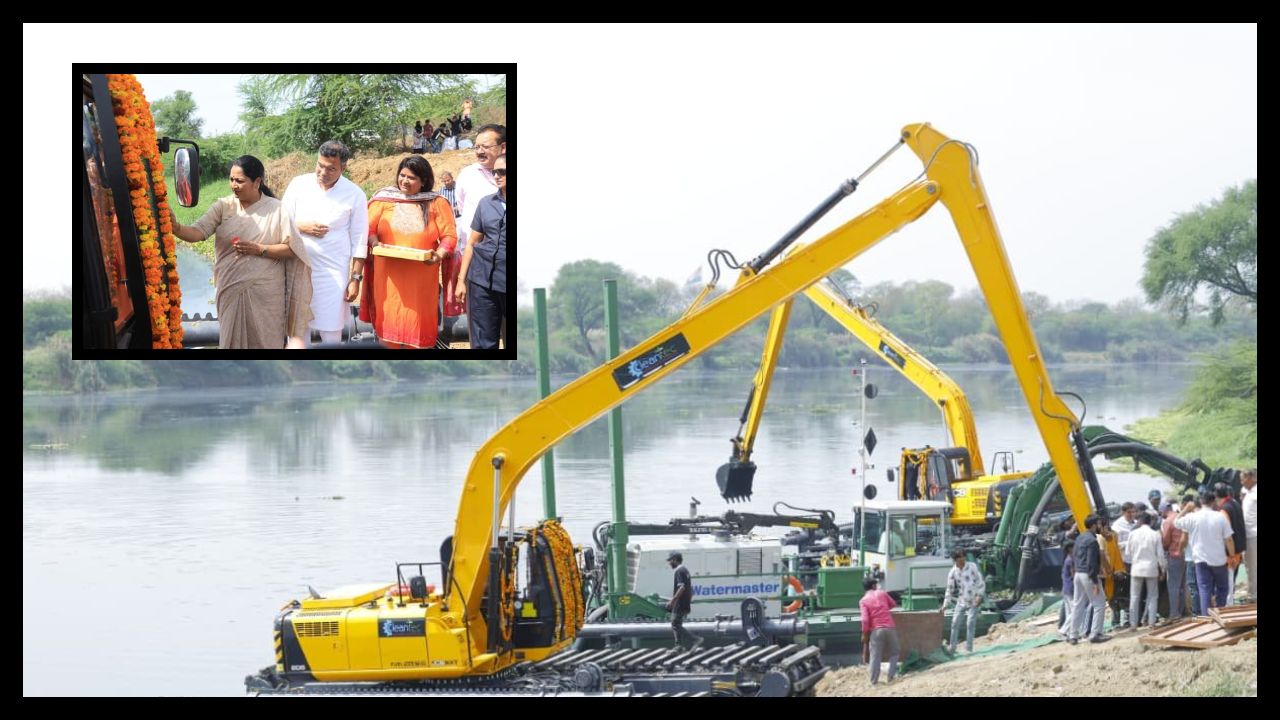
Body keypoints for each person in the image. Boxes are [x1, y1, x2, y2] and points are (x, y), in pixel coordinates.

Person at [169, 156, 313, 349]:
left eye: (239, 181)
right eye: (231, 180)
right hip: (230, 288)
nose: (234, 185)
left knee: (267, 342)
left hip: (266, 293)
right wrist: (176, 227)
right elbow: (198, 232)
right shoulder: (224, 206)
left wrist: (260, 249)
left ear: (257, 182)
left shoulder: (277, 209)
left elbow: (292, 249)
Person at [358, 156, 457, 349]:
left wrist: (438, 255)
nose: (404, 181)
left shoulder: (436, 203)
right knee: (389, 325)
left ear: (424, 181)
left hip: (421, 277)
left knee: (417, 327)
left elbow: (449, 236)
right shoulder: (383, 200)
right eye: (402, 175)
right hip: (387, 277)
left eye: (411, 178)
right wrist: (375, 242)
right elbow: (366, 228)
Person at [282, 140, 369, 347]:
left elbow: (360, 238)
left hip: (333, 275)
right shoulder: (298, 184)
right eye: (320, 165)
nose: (323, 172)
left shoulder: (354, 194)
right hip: (297, 270)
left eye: (331, 168)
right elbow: (280, 221)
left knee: (331, 333)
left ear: (343, 168)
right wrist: (301, 227)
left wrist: (355, 278)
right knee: (297, 330)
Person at [456, 153, 507, 349]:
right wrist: (462, 280)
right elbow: (472, 242)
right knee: (482, 344)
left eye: (502, 172)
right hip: (481, 280)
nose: (496, 176)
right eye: (494, 172)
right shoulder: (486, 203)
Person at [1174, 493, 1235, 614]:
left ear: (1201, 502)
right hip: (1219, 560)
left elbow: (1176, 522)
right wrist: (1232, 556)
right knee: (1222, 588)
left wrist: (1185, 509)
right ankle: (1220, 613)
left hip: (1200, 561)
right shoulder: (1220, 517)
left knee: (1204, 589)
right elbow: (1228, 539)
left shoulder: (1192, 517)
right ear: (1214, 502)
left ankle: (1206, 617)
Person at [455, 124, 506, 260]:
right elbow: (461, 207)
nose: (479, 152)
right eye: (477, 147)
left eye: (485, 147)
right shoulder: (467, 174)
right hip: (470, 255)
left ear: (503, 147)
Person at [1069, 514, 1110, 644]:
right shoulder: (1092, 541)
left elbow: (1074, 555)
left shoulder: (1080, 537)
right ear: (1093, 525)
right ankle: (1095, 633)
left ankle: (1073, 635)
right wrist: (1095, 582)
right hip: (1088, 574)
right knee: (1099, 603)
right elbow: (1092, 562)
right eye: (1098, 524)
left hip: (1078, 574)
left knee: (1078, 604)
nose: (1100, 526)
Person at [1126, 512, 1166, 629]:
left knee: (1134, 597)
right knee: (1153, 596)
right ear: (1150, 522)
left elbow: (1128, 553)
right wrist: (1163, 569)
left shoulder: (1132, 534)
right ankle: (1151, 622)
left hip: (1136, 568)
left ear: (1139, 521)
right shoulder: (1155, 534)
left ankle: (1133, 624)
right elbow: (1160, 555)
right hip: (1151, 568)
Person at [941, 549, 985, 653]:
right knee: (955, 623)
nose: (962, 559)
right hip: (961, 600)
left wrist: (980, 595)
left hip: (974, 599)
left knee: (970, 623)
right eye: (959, 557)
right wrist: (945, 605)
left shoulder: (972, 566)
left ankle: (969, 648)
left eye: (963, 557)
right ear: (955, 560)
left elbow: (980, 581)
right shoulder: (953, 572)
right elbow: (949, 589)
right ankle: (952, 647)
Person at [859, 575, 899, 685]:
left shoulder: (863, 601)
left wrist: (865, 634)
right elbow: (893, 604)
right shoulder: (882, 593)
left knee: (875, 657)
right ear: (873, 585)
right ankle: (891, 677)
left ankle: (874, 681)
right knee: (895, 653)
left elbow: (865, 620)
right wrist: (884, 608)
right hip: (890, 628)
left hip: (876, 631)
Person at [1216, 483, 1247, 604]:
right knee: (1232, 581)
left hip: (1230, 553)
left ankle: (1227, 609)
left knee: (1227, 584)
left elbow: (1227, 537)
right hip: (1239, 549)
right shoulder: (1236, 504)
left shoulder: (1224, 510)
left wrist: (1231, 554)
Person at [664, 552, 701, 650]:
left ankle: (695, 639)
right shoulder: (686, 570)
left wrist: (672, 601)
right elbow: (691, 588)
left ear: (675, 560)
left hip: (679, 603)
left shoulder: (679, 571)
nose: (669, 563)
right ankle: (678, 646)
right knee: (677, 624)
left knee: (675, 623)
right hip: (685, 602)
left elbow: (682, 588)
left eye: (670, 561)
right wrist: (689, 600)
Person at [1161, 501, 1190, 618]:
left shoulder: (1168, 521)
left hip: (1174, 554)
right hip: (1185, 554)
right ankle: (1181, 611)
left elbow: (1166, 541)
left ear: (1163, 510)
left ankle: (1174, 613)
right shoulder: (1181, 517)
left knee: (1173, 586)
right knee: (1183, 586)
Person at [1240, 468, 1256, 602]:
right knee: (1249, 566)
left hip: (1254, 535)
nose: (1241, 481)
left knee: (1253, 566)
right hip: (1248, 535)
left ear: (1252, 478)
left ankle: (1253, 596)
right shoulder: (1247, 492)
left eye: (1243, 478)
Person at [1058, 540, 1076, 638]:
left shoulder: (1067, 559)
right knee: (1074, 612)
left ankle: (1069, 631)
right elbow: (1074, 575)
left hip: (1066, 589)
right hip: (1070, 589)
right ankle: (1064, 630)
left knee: (1069, 611)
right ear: (1070, 549)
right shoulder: (1071, 560)